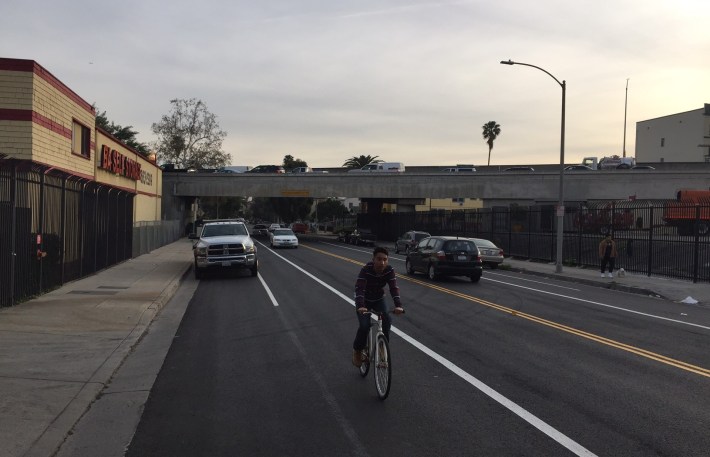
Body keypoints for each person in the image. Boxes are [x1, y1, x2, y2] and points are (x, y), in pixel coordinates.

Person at [352, 246, 404, 367]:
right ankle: (357, 351)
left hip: (379, 299)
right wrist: (360, 306)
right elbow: (359, 288)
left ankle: (382, 351)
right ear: (373, 259)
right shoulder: (366, 269)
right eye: (379, 259)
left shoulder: (389, 270)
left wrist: (398, 305)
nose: (382, 262)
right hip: (363, 300)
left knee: (386, 321)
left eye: (385, 259)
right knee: (364, 326)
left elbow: (393, 288)